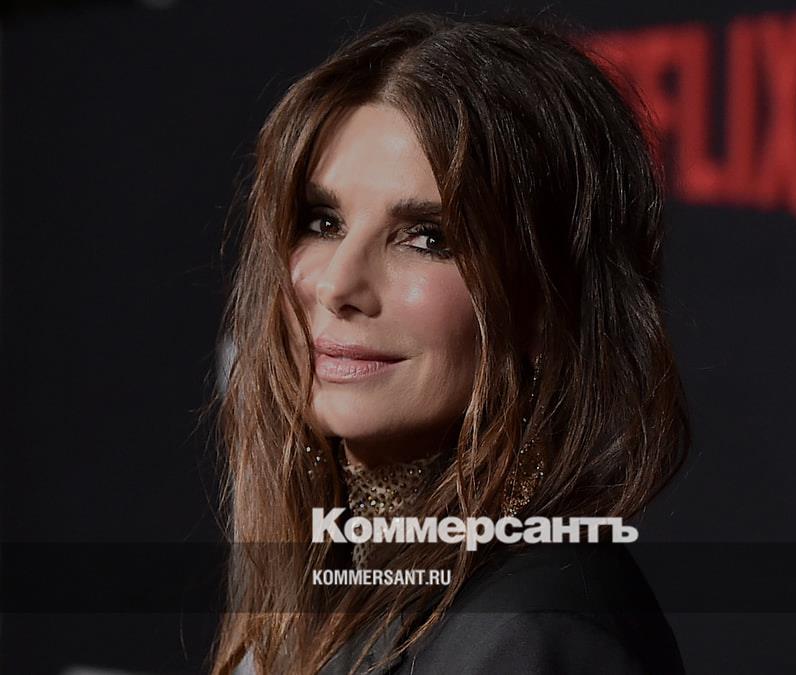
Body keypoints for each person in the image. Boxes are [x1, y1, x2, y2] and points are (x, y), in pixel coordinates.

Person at [208, 10, 691, 674]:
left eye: (427, 237)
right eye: (323, 222)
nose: (338, 283)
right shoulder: (364, 577)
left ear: (546, 305)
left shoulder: (525, 632)